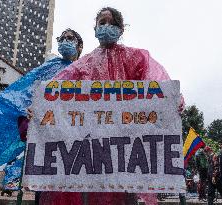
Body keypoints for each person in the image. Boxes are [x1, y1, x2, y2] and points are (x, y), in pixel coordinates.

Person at [54, 7, 184, 205]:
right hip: (93, 149)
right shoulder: (83, 65)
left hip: (126, 149)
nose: (107, 27)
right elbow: (57, 91)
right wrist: (38, 108)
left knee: (123, 195)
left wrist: (171, 99)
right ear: (95, 27)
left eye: (112, 23)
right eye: (102, 22)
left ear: (121, 29)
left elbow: (156, 82)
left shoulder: (135, 58)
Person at [0, 28, 83, 168]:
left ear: (79, 46)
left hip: (69, 129)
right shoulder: (49, 66)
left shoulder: (84, 70)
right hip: (41, 128)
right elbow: (29, 91)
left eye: (69, 38)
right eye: (61, 39)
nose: (64, 42)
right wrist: (26, 110)